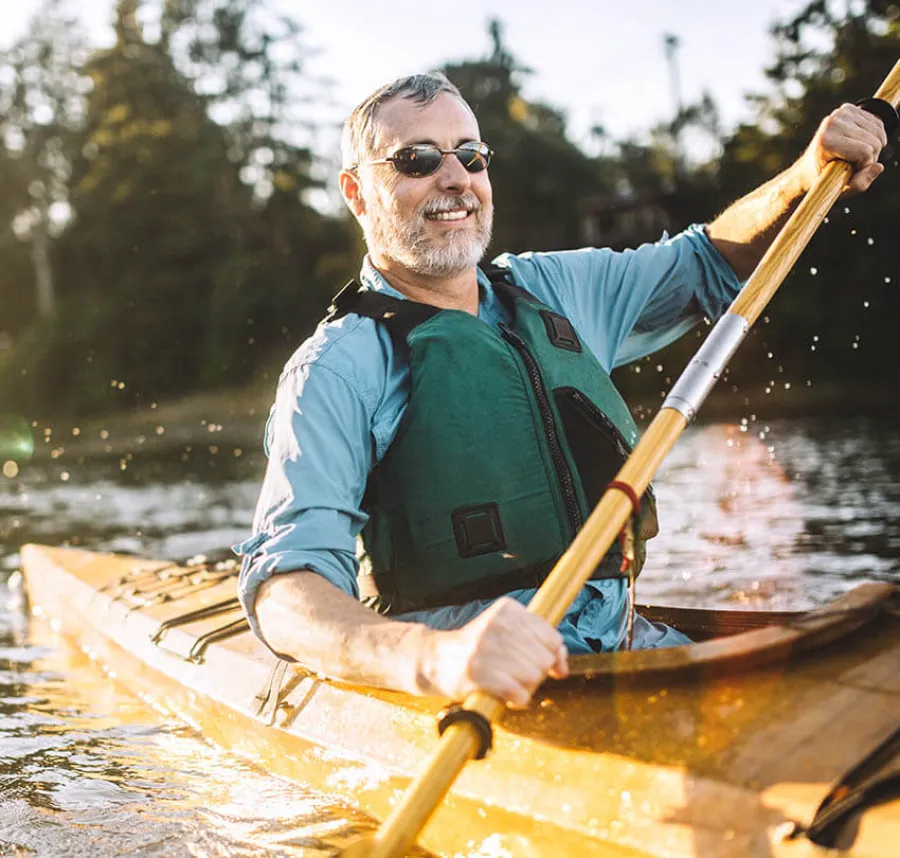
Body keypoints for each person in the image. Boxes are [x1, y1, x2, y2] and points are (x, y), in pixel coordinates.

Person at [235, 72, 887, 708]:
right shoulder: (335, 368)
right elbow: (285, 592)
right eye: (417, 160)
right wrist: (437, 658)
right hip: (475, 689)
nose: (456, 176)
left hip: (621, 649)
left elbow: (713, 261)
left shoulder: (551, 291)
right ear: (356, 192)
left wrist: (806, 173)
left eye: (471, 155)